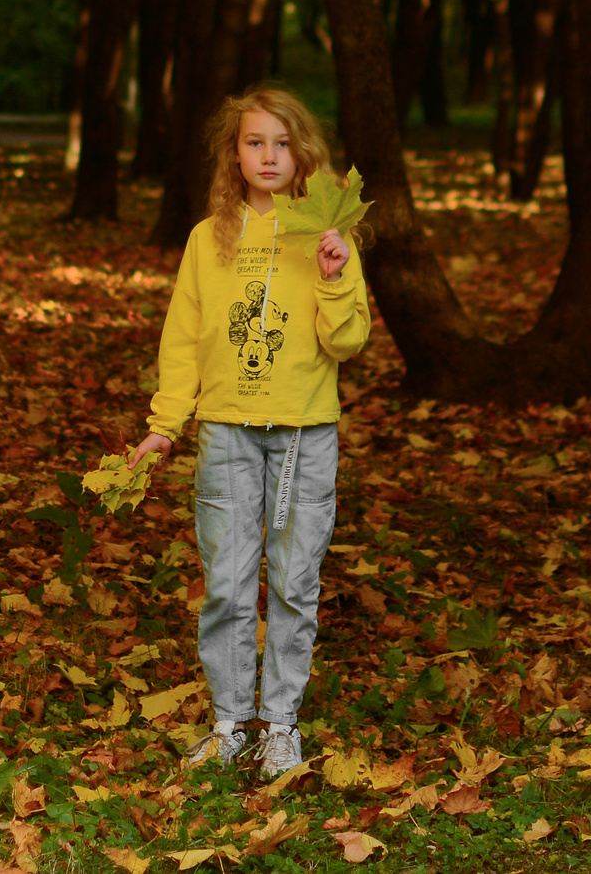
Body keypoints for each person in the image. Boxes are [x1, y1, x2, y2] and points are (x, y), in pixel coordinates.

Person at [126, 85, 371, 781]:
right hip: (228, 431)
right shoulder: (209, 238)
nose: (269, 154)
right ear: (234, 154)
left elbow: (349, 340)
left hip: (302, 433)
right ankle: (231, 720)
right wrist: (164, 426)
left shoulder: (328, 233)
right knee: (230, 583)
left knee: (294, 580)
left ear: (304, 153)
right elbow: (183, 341)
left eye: (283, 142)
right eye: (254, 141)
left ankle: (281, 724)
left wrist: (331, 276)